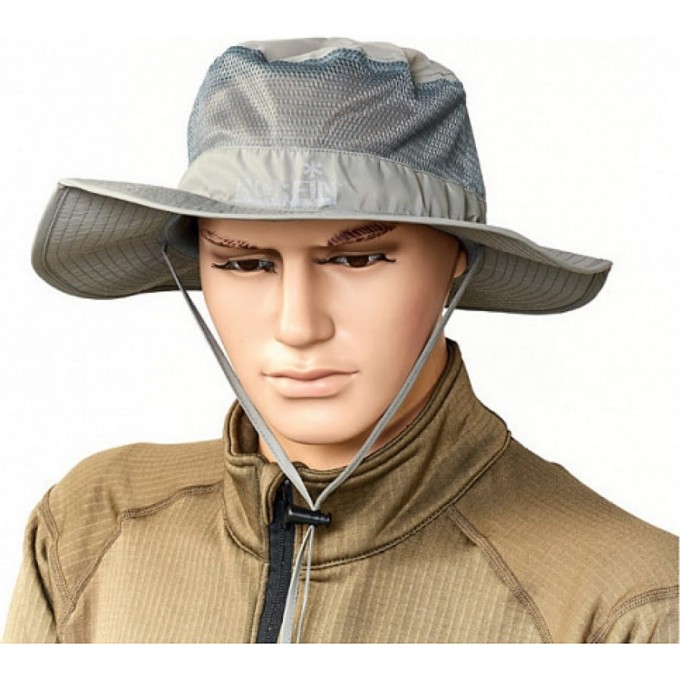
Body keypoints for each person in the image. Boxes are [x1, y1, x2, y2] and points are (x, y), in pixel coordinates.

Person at [3, 37, 677, 643]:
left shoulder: (624, 606)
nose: (299, 325)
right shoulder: (92, 524)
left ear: (457, 259)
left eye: (357, 259)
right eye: (245, 263)